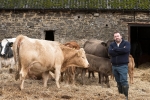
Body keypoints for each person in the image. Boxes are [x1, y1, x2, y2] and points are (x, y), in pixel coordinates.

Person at [108, 32, 130, 100]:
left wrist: (115, 50)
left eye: (117, 36)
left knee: (123, 81)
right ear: (114, 38)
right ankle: (121, 95)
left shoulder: (126, 43)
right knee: (118, 81)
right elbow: (110, 52)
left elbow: (126, 50)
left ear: (121, 36)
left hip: (123, 65)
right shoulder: (112, 44)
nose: (116, 37)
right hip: (114, 66)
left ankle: (126, 97)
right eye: (115, 36)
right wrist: (121, 51)